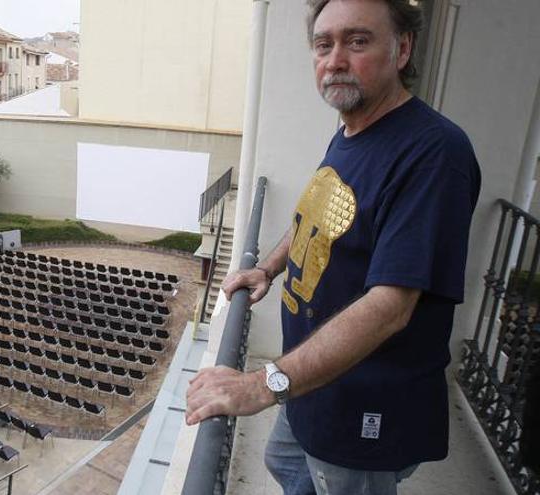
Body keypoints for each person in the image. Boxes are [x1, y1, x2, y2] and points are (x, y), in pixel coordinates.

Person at [184, 1, 481, 494]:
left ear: (402, 48)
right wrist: (270, 268)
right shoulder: (352, 127)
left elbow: (390, 308)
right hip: (313, 384)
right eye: (324, 45)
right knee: (287, 467)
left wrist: (261, 385)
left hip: (365, 411)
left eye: (357, 41)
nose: (335, 59)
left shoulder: (434, 154)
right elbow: (316, 215)